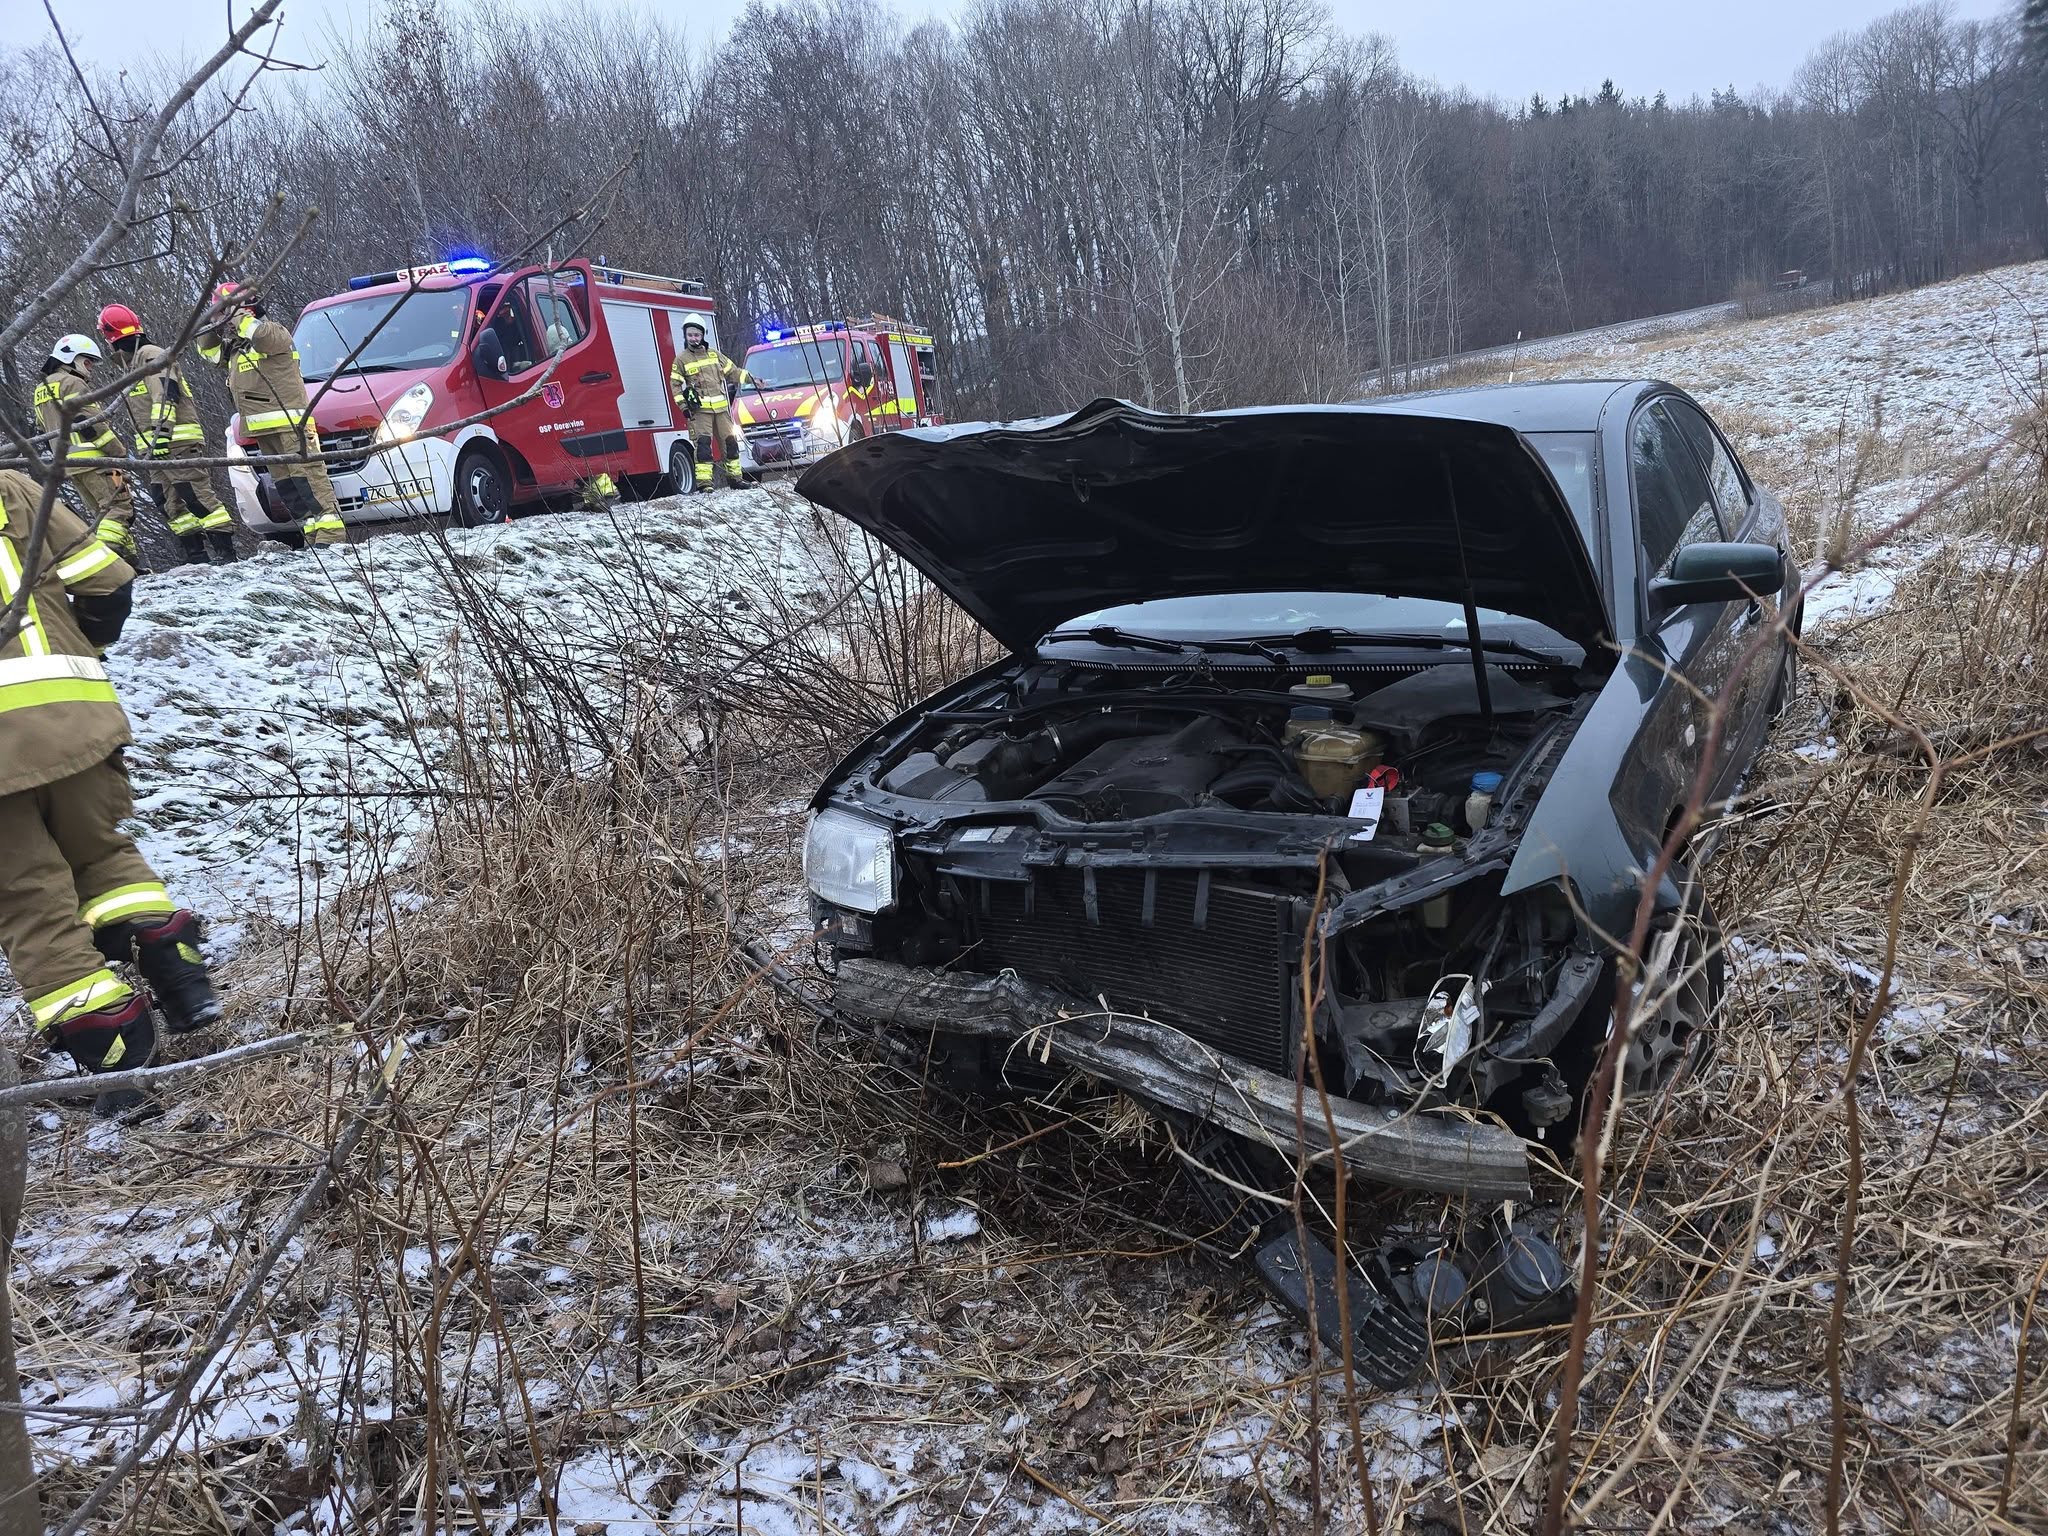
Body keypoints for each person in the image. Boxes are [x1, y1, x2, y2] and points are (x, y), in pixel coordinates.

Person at [0, 467, 224, 1117]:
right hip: (76, 720)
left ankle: (118, 1067)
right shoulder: (13, 489)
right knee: (101, 856)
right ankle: (175, 962)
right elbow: (109, 584)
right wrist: (79, 647)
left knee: (31, 903)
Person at [197, 282, 346, 548]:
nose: (227, 319)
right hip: (262, 428)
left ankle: (331, 536)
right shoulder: (236, 346)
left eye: (228, 311)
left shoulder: (274, 332)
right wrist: (216, 320)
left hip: (292, 423)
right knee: (289, 485)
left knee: (309, 477)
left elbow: (261, 336)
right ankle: (313, 534)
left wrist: (237, 313)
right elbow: (207, 351)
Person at [97, 303, 238, 566]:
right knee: (169, 503)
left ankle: (227, 557)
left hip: (175, 441)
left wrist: (161, 434)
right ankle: (197, 558)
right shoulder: (133, 364)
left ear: (110, 337)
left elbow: (165, 394)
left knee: (196, 495)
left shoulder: (152, 355)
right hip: (154, 448)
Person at [32, 335, 142, 568]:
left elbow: (43, 428)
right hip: (96, 461)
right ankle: (106, 565)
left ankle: (128, 566)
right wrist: (119, 452)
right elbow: (90, 422)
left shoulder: (42, 389)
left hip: (70, 465)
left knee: (105, 516)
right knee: (119, 509)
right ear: (70, 359)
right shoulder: (72, 383)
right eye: (87, 362)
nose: (90, 369)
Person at [668, 320, 749, 491]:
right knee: (703, 445)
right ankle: (705, 484)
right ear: (685, 336)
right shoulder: (681, 359)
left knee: (730, 443)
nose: (694, 338)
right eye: (690, 335)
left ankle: (735, 479)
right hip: (700, 411)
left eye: (696, 335)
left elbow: (733, 372)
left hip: (721, 410)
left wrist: (753, 380)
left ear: (703, 335)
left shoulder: (714, 355)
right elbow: (675, 384)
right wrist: (683, 406)